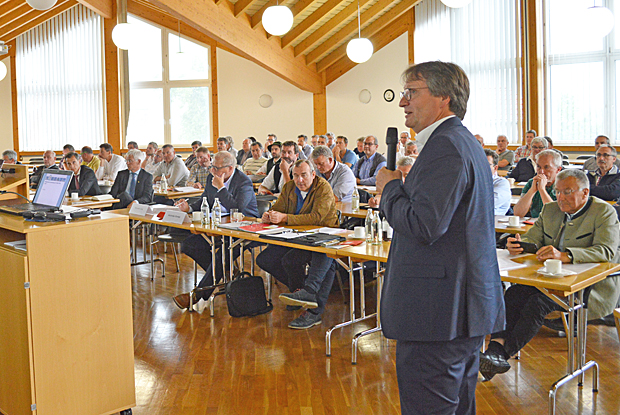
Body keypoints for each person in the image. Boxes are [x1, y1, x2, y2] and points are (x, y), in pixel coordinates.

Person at [375, 61, 504, 415]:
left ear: (443, 97)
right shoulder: (460, 142)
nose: (403, 101)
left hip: (437, 313)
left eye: (412, 92)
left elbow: (424, 225)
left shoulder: (445, 146)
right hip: (454, 309)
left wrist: (390, 190)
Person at [480, 169, 620, 381]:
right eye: (557, 191)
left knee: (538, 303)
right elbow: (533, 238)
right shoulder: (551, 209)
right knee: (514, 294)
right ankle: (495, 351)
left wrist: (566, 255)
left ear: (585, 192)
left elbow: (606, 251)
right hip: (547, 278)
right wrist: (518, 245)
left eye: (567, 192)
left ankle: (499, 354)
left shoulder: (603, 212)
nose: (560, 197)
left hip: (587, 286)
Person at [256, 159, 339, 329]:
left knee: (324, 257)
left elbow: (317, 217)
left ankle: (313, 309)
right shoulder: (289, 187)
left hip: (324, 235)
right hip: (295, 236)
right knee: (265, 259)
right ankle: (301, 293)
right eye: (295, 175)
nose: (300, 180)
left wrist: (285, 218)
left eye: (304, 175)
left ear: (313, 174)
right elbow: (278, 208)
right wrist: (269, 216)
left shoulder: (323, 188)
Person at [172, 151, 259, 310]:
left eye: (217, 168)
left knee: (224, 253)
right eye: (212, 167)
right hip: (219, 226)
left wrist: (221, 188)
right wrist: (188, 207)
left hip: (244, 229)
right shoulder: (212, 178)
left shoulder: (243, 182)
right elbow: (204, 200)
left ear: (230, 168)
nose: (213, 171)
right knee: (189, 245)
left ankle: (198, 294)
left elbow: (238, 209)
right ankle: (226, 274)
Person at [513, 149, 562, 218]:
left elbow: (555, 215)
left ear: (558, 169)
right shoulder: (532, 183)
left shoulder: (563, 185)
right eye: (538, 167)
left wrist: (542, 190)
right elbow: (518, 213)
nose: (541, 172)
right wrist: (532, 190)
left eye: (547, 167)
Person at [485, 148, 511, 215]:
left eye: (487, 164)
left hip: (494, 220)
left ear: (495, 168)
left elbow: (486, 205)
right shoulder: (472, 181)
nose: (482, 167)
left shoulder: (501, 183)